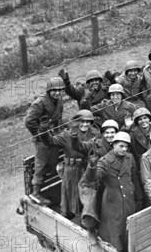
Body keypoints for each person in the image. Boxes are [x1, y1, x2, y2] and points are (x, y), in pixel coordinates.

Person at [39, 109, 99, 219]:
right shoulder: (67, 134)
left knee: (86, 192)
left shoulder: (95, 134)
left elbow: (91, 147)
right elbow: (50, 141)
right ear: (77, 121)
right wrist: (43, 129)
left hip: (86, 168)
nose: (85, 124)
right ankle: (67, 213)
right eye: (82, 121)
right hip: (70, 170)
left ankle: (85, 215)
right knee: (68, 192)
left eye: (88, 122)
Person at [91, 131, 142, 252]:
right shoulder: (105, 161)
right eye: (121, 146)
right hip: (112, 201)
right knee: (113, 228)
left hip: (129, 199)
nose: (124, 149)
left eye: (126, 146)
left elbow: (134, 177)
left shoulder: (130, 157)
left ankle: (126, 248)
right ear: (113, 145)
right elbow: (96, 177)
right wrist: (92, 167)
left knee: (128, 226)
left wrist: (139, 197)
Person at [25, 76, 65, 205]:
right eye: (54, 90)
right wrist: (39, 135)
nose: (57, 93)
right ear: (48, 90)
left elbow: (59, 117)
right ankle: (36, 191)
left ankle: (58, 185)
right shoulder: (39, 103)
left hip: (53, 133)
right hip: (41, 137)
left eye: (60, 90)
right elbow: (29, 122)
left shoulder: (59, 101)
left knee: (56, 158)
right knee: (41, 162)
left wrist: (58, 130)